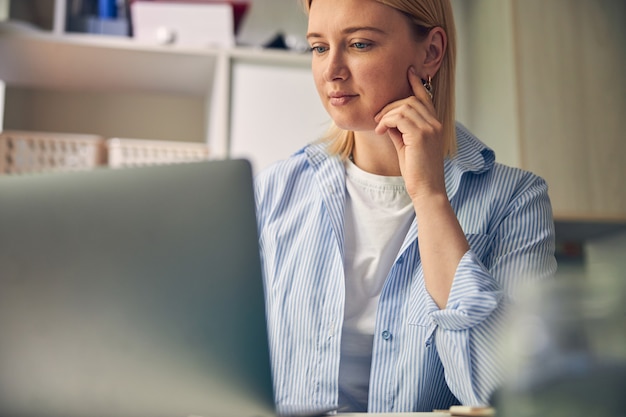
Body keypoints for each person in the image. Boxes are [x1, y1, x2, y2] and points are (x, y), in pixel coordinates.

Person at [254, 0, 557, 413]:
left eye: (359, 44)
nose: (331, 71)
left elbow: (509, 394)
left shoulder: (514, 201)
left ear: (431, 52)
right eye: (319, 47)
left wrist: (430, 196)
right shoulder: (272, 194)